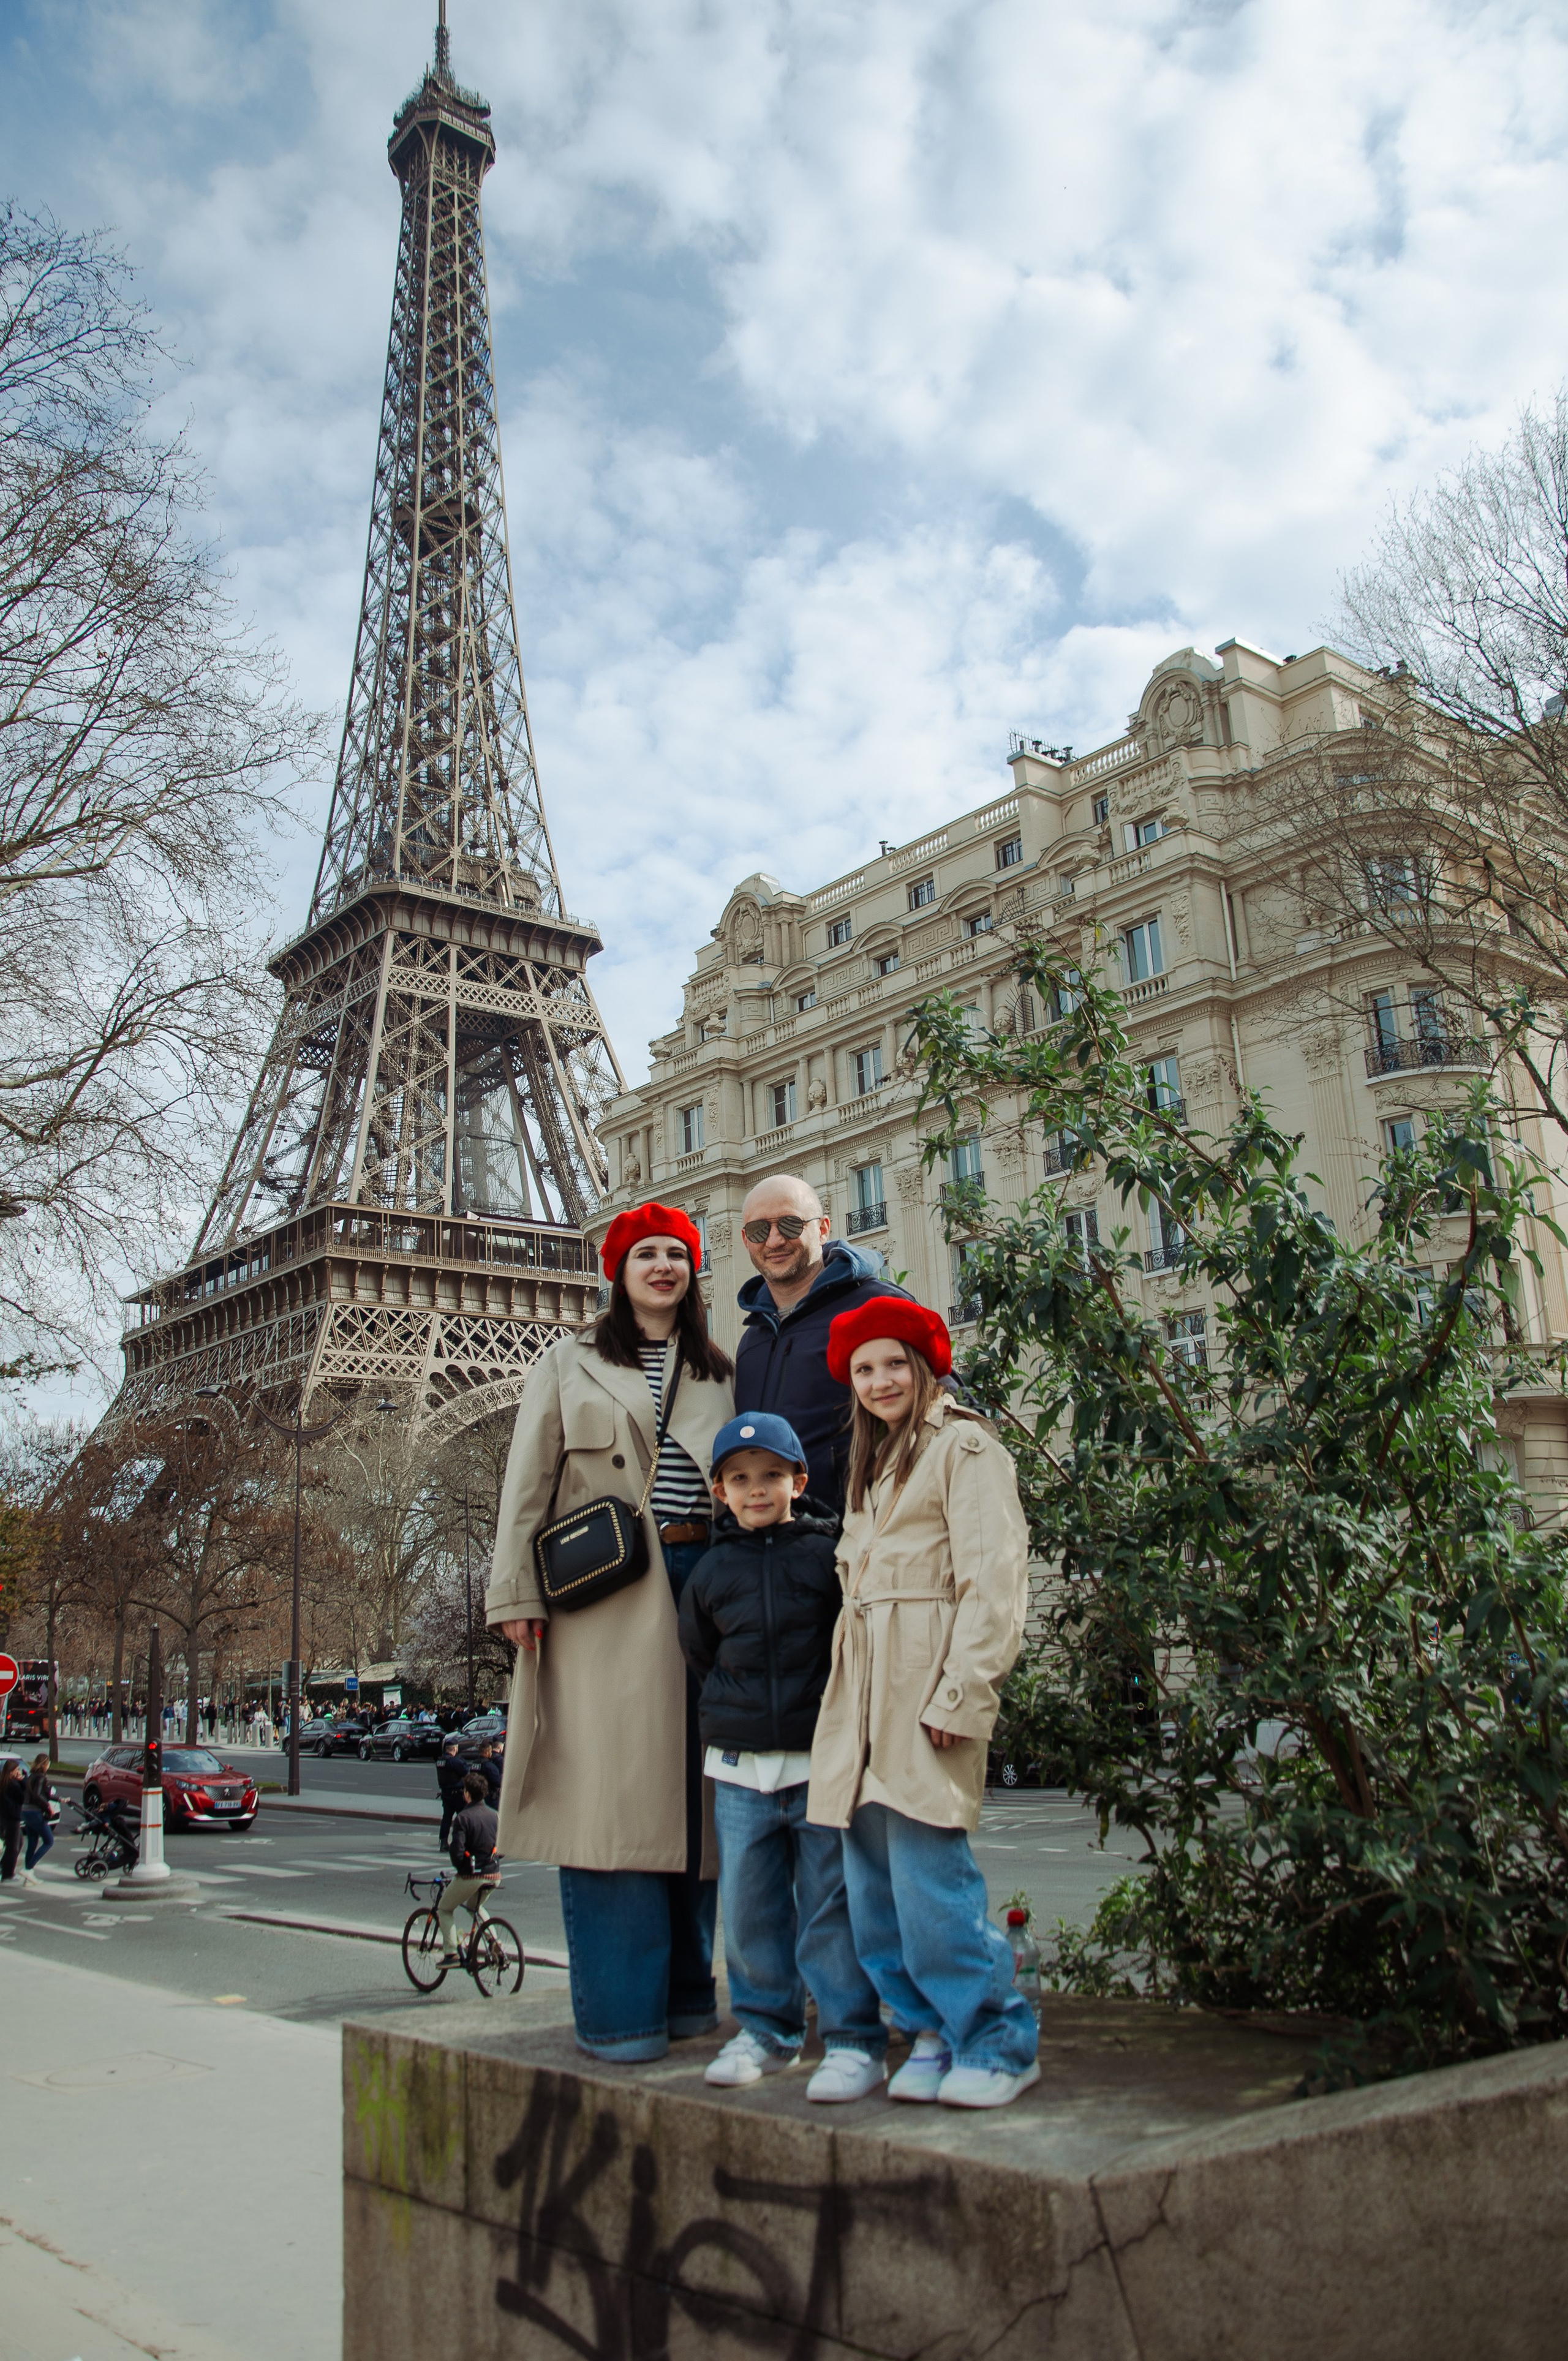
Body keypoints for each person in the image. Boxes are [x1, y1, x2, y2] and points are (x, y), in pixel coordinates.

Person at [486, 1200, 735, 2062]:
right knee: (611, 1802)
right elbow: (528, 1480)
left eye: (677, 1254)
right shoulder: (569, 1359)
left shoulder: (720, 1368)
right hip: (601, 1597)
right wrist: (514, 1590)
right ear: (617, 1269)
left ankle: (686, 1999)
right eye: (646, 1254)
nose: (663, 1266)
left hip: (703, 1588)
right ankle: (623, 2014)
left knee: (694, 1803)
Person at [808, 1299, 1039, 2109]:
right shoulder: (871, 1465)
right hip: (863, 1696)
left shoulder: (965, 1447)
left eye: (893, 1363)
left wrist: (962, 1694)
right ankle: (929, 2029)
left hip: (923, 1692)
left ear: (925, 1366)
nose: (878, 1381)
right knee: (873, 1890)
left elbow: (995, 1581)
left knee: (930, 1883)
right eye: (864, 1369)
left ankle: (998, 2037)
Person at [679, 1412, 887, 2099]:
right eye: (740, 1479)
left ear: (799, 1481)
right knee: (748, 1908)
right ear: (719, 1491)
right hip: (741, 1771)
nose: (757, 1489)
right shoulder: (710, 1571)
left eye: (771, 1476)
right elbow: (700, 1655)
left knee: (830, 1903)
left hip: (816, 1762)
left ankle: (853, 2038)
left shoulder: (826, 1556)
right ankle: (767, 2029)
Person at [733, 1175, 911, 1511]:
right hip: (777, 1547)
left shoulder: (876, 1307)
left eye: (790, 1225)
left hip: (861, 1540)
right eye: (759, 1230)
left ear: (824, 1228)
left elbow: (943, 1410)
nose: (774, 1241)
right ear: (746, 1240)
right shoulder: (752, 1341)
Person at [437, 1773, 501, 1965]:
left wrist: (463, 1868)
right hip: (495, 1874)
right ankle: (494, 1942)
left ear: (467, 1794)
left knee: (444, 1908)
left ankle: (451, 1954)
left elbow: (457, 1852)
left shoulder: (463, 1818)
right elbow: (502, 1847)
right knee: (475, 1907)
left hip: (473, 1876)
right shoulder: (494, 1815)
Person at [20, 1752, 56, 1885]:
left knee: (32, 1842)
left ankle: (27, 1877)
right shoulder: (42, 1777)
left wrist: (59, 1799)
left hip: (25, 1811)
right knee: (49, 1841)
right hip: (35, 1813)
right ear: (45, 1764)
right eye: (48, 1763)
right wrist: (48, 1806)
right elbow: (37, 1795)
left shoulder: (31, 1776)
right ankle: (29, 1869)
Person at [435, 1736, 467, 1849]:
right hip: (457, 1795)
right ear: (454, 1749)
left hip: (446, 1794)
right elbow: (466, 1772)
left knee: (447, 1819)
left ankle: (443, 1842)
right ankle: (461, 1842)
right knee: (464, 1818)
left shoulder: (440, 1761)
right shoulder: (454, 1761)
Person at [0, 1755, 24, 1883]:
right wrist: (22, 1781)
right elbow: (23, 1798)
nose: (19, 1772)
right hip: (13, 1817)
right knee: (13, 1846)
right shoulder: (14, 1784)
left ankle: (3, 1866)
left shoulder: (3, 1782)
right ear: (12, 1772)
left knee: (18, 1842)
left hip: (5, 1817)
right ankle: (8, 1874)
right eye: (17, 1770)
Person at [473, 1741, 502, 1806]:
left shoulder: (474, 1764)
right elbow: (497, 1782)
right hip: (488, 1796)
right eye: (491, 1752)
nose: (491, 1753)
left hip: (476, 1795)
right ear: (487, 1752)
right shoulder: (490, 1766)